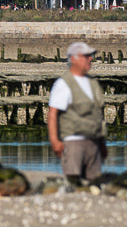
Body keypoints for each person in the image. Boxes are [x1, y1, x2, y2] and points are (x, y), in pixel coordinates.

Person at [47, 41, 107, 185]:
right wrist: (55, 141)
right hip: (73, 143)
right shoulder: (64, 84)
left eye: (90, 55)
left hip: (94, 143)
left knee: (94, 186)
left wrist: (102, 143)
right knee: (73, 185)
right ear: (73, 59)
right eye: (85, 56)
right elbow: (53, 114)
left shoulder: (92, 83)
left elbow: (98, 115)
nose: (90, 59)